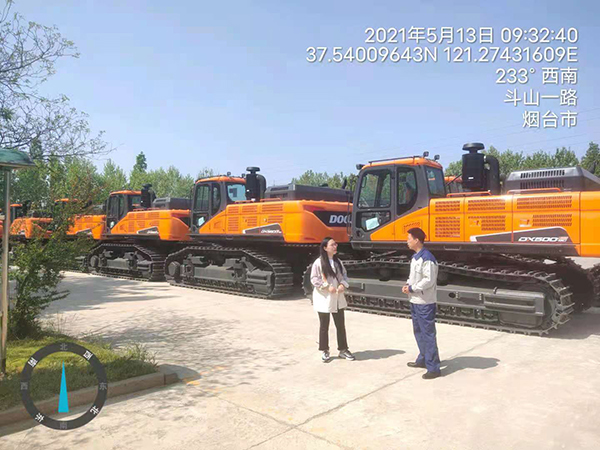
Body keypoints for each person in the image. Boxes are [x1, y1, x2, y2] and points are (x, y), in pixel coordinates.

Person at [402, 227, 441, 379]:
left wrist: (412, 288)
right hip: (415, 300)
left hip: (425, 302)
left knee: (428, 334)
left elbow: (428, 280)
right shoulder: (415, 257)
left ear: (417, 240)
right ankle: (423, 359)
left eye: (409, 239)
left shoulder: (427, 258)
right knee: (418, 332)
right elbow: (413, 276)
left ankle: (434, 368)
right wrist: (407, 285)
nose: (407, 241)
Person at [310, 237, 355, 363]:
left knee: (340, 325)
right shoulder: (318, 263)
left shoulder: (338, 262)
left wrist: (343, 284)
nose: (335, 246)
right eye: (332, 245)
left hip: (337, 297)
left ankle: (343, 349)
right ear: (325, 248)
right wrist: (325, 286)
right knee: (324, 325)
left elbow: (344, 275)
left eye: (335, 244)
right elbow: (314, 279)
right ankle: (324, 350)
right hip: (324, 297)